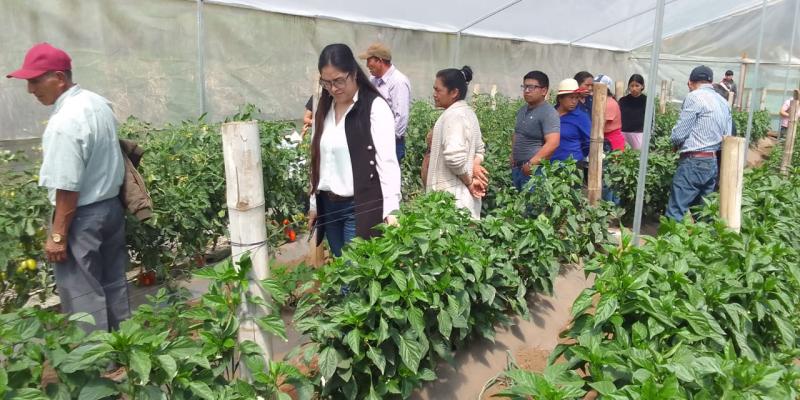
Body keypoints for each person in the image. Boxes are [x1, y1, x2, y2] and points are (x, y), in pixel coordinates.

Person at [6, 43, 129, 332]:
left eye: (36, 80)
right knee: (113, 281)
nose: (31, 89)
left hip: (81, 217)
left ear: (59, 77)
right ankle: (125, 348)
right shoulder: (98, 102)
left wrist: (59, 235)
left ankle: (97, 367)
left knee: (82, 295)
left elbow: (67, 186)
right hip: (110, 208)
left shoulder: (64, 121)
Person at [308, 43, 401, 257]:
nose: (334, 88)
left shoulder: (374, 107)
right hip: (329, 207)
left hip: (358, 207)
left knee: (352, 273)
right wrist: (314, 203)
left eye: (339, 80)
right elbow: (317, 157)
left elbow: (387, 162)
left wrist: (391, 210)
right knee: (341, 268)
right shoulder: (323, 107)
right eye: (327, 82)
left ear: (354, 73)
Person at [665, 65, 732, 222]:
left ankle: (667, 244)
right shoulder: (723, 101)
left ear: (690, 83)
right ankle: (705, 243)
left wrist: (675, 142)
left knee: (676, 209)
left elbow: (679, 133)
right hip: (712, 161)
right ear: (711, 81)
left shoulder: (694, 96)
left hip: (693, 160)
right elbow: (727, 135)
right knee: (703, 212)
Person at [425, 66, 486, 219]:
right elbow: (480, 150)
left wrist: (470, 181)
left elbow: (454, 158)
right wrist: (474, 164)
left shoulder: (455, 116)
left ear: (454, 93)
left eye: (438, 90)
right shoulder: (467, 113)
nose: (434, 94)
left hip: (450, 203)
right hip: (459, 204)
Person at [359, 43, 411, 162]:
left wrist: (386, 141)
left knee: (387, 177)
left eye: (369, 60)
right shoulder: (373, 80)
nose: (367, 65)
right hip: (373, 138)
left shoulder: (398, 82)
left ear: (380, 61)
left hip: (390, 143)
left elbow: (401, 116)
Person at [510, 71, 561, 191]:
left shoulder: (548, 113)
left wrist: (531, 164)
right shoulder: (523, 110)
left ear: (544, 91)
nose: (527, 90)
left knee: (531, 207)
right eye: (525, 86)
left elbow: (553, 143)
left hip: (534, 172)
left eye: (531, 87)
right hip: (518, 168)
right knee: (517, 206)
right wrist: (512, 155)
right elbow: (517, 133)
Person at [551, 79, 591, 164]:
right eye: (571, 97)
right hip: (548, 166)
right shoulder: (549, 114)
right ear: (560, 98)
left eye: (577, 98)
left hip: (572, 167)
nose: (574, 101)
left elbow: (589, 142)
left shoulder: (581, 117)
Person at [593, 74, 625, 152]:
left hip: (612, 141)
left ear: (605, 89)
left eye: (598, 88)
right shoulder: (601, 101)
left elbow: (600, 125)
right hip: (605, 139)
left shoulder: (610, 103)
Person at [619, 74, 647, 150]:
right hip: (623, 133)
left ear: (642, 86)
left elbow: (651, 119)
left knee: (637, 157)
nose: (634, 88)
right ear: (629, 87)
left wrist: (649, 134)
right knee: (621, 155)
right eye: (632, 86)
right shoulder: (623, 100)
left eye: (637, 85)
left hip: (639, 134)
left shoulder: (647, 101)